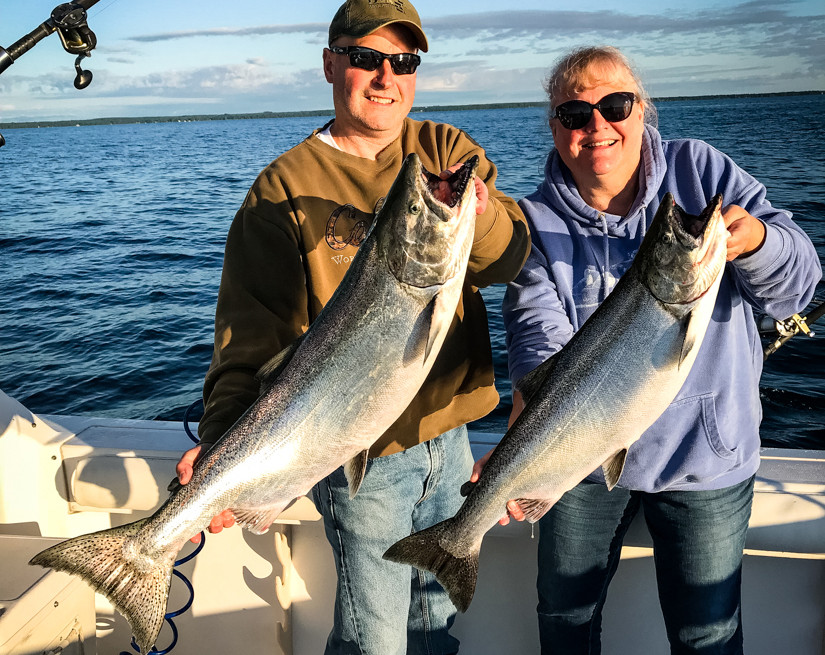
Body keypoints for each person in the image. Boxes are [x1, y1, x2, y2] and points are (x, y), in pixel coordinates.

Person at [175, 1, 530, 653]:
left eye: (404, 61)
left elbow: (508, 257)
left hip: (451, 437)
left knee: (434, 615)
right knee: (376, 635)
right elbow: (249, 338)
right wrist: (224, 443)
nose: (385, 75)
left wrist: (475, 214)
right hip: (350, 455)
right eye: (366, 58)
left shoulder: (445, 150)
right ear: (329, 64)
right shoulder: (280, 188)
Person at [485, 46, 819, 654]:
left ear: (644, 111)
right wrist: (531, 424)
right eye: (573, 112)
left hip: (705, 457)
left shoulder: (702, 172)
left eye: (615, 105)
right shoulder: (529, 221)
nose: (597, 126)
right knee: (564, 621)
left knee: (707, 635)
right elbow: (537, 335)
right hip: (581, 461)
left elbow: (797, 284)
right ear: (554, 126)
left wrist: (761, 242)